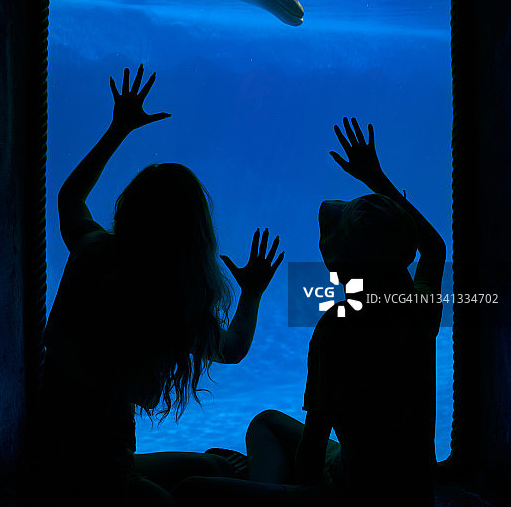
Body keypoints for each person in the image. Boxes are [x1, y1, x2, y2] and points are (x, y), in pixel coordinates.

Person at [27, 64, 283, 507]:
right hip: (102, 481)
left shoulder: (92, 252)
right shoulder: (172, 304)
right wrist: (253, 291)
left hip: (45, 463)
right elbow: (234, 347)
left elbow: (70, 198)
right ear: (195, 239)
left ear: (127, 211)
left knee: (211, 469)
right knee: (203, 483)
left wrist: (118, 129)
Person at [174, 116, 446, 507]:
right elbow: (434, 248)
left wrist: (301, 488)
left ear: (339, 266)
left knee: (194, 488)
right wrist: (377, 180)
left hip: (356, 495)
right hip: (415, 493)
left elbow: (313, 451)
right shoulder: (419, 310)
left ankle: (260, 485)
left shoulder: (336, 327)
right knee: (269, 424)